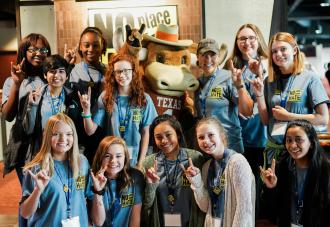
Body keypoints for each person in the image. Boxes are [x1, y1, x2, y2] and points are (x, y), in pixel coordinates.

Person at [249, 32, 329, 166]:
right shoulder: (269, 81)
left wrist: (289, 116)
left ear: (294, 50)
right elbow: (264, 121)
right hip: (275, 151)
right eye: (274, 51)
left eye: (283, 49)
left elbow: (323, 118)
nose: (278, 54)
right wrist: (259, 94)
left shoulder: (310, 78)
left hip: (300, 152)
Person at [79, 53, 157, 168]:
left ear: (133, 72)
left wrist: (141, 162)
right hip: (112, 160)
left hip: (134, 160)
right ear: (113, 74)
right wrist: (86, 111)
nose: (122, 75)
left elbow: (145, 133)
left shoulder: (144, 99)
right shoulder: (105, 97)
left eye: (126, 70)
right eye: (118, 71)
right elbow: (90, 131)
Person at [20, 113, 92, 227]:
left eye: (68, 134)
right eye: (56, 134)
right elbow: (25, 213)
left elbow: (89, 198)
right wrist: (37, 191)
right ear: (48, 136)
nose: (63, 139)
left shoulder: (82, 163)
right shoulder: (36, 168)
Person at [181, 117, 255, 227]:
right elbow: (205, 206)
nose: (206, 141)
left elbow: (244, 209)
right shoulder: (206, 167)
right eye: (201, 137)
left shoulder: (237, 162)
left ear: (222, 135)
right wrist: (196, 182)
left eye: (211, 135)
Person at [260, 119, 330, 226]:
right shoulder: (281, 167)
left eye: (299, 140)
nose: (293, 145)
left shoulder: (325, 169)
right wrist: (271, 187)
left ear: (311, 143)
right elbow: (272, 208)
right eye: (289, 140)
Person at [2, 33, 51, 182]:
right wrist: (17, 84)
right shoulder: (12, 81)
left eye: (43, 50)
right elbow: (7, 116)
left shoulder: (51, 78)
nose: (39, 54)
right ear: (24, 51)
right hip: (24, 145)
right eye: (33, 49)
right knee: (29, 192)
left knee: (49, 192)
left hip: (48, 143)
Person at [142, 114, 205, 227]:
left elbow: (204, 199)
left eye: (168, 135)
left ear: (178, 135)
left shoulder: (196, 158)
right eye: (158, 137)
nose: (164, 140)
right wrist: (151, 185)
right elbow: (146, 205)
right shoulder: (148, 163)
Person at [194, 38, 253, 154]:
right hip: (207, 147)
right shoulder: (196, 83)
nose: (208, 59)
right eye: (204, 55)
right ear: (197, 57)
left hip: (229, 146)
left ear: (218, 56)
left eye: (213, 55)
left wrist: (240, 86)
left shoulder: (229, 78)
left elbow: (247, 111)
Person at [224, 23, 268, 178]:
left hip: (262, 138)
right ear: (236, 42)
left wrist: (260, 73)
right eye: (242, 38)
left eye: (251, 38)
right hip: (236, 139)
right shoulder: (229, 67)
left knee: (261, 187)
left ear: (258, 40)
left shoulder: (269, 65)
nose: (247, 42)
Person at [22, 54, 80, 162]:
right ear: (45, 75)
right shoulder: (35, 96)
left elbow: (77, 130)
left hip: (65, 153)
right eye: (52, 71)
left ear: (67, 76)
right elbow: (28, 130)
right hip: (41, 153)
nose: (56, 75)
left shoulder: (73, 97)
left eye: (61, 71)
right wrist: (32, 106)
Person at [68, 26, 107, 162]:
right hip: (79, 134)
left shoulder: (110, 72)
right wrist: (66, 65)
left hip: (103, 132)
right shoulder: (72, 71)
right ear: (80, 47)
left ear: (103, 47)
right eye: (87, 45)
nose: (91, 49)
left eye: (96, 45)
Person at [89, 136, 144, 227]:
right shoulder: (92, 178)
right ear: (100, 158)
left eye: (118, 156)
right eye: (107, 156)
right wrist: (98, 191)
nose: (113, 161)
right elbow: (98, 222)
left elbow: (135, 218)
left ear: (125, 157)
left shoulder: (136, 177)